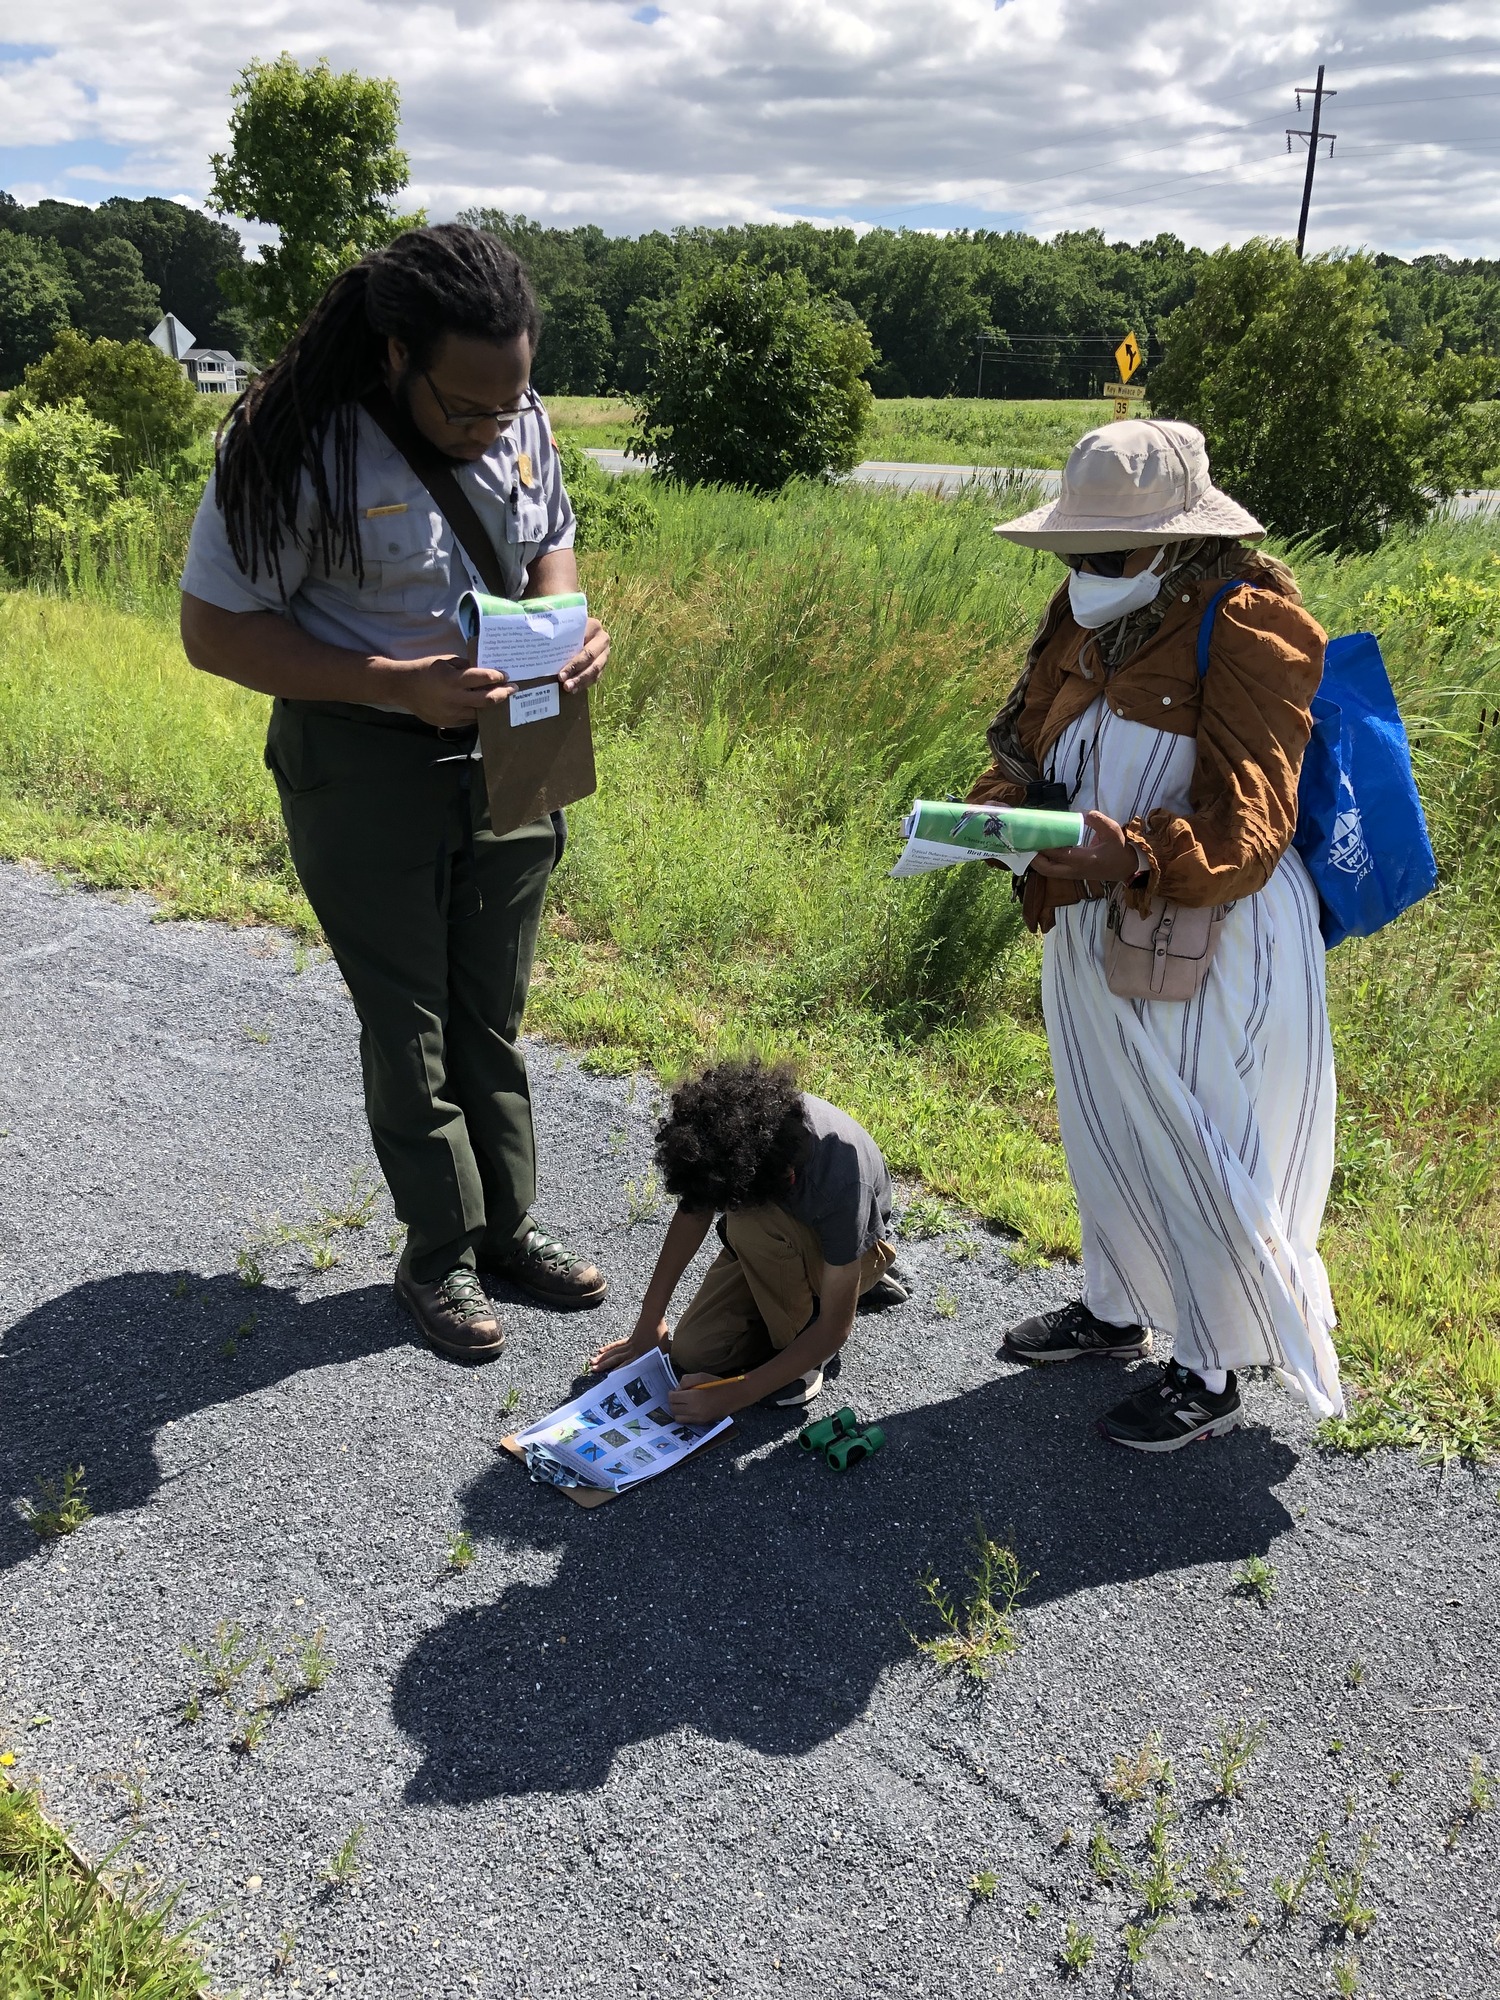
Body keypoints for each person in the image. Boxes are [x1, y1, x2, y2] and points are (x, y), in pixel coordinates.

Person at [180, 224, 610, 1364]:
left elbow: (550, 540)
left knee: (493, 1009)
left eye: (506, 406)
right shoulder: (289, 448)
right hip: (362, 765)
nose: (488, 429)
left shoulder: (516, 414)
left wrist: (561, 625)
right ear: (392, 355)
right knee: (408, 1023)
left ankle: (508, 1227)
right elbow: (214, 630)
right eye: (463, 408)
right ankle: (438, 1251)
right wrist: (393, 684)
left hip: (516, 740)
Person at [972, 419, 1343, 1450]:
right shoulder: (1088, 618)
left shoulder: (1253, 624)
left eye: (1107, 551)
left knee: (1198, 1140)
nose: (1085, 569)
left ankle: (1211, 1366)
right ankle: (1117, 1306)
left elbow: (1250, 831)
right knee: (1109, 1125)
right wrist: (995, 816)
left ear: (1180, 542)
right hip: (1094, 930)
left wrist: (1130, 850)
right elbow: (1026, 747)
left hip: (1209, 939)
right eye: (1075, 549)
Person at [588, 1059, 906, 1420]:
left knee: (751, 1225)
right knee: (694, 1354)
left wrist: (737, 1394)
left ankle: (819, 1327)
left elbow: (835, 1328)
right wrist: (650, 1320)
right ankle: (821, 1294)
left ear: (783, 1175)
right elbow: (695, 1210)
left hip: (854, 1251)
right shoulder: (733, 1133)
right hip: (777, 1246)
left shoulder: (839, 1177)